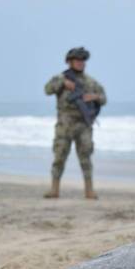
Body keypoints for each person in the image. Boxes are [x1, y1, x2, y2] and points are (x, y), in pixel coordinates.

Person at [44, 47, 107, 199]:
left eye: (82, 61)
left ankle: (89, 190)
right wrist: (62, 83)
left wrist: (95, 97)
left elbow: (104, 98)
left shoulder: (90, 82)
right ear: (69, 62)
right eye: (77, 60)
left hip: (83, 125)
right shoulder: (61, 78)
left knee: (86, 158)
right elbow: (47, 89)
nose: (80, 63)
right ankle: (54, 189)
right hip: (65, 125)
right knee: (59, 157)